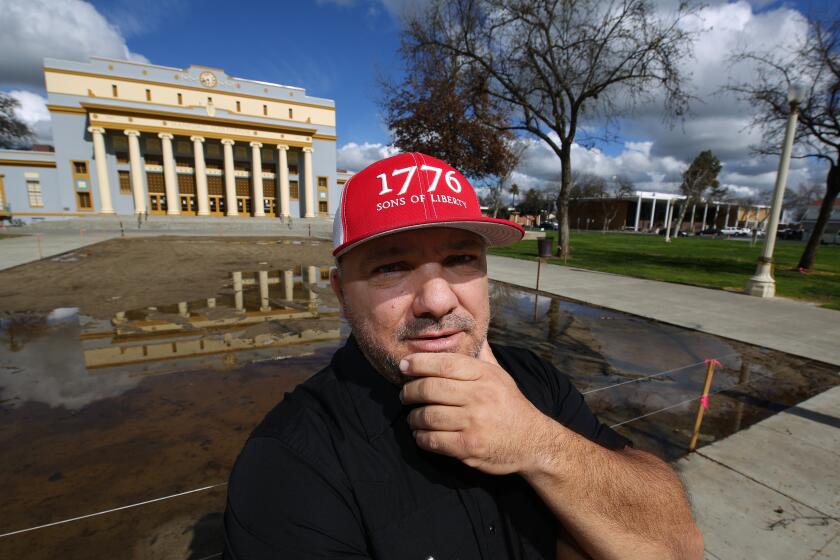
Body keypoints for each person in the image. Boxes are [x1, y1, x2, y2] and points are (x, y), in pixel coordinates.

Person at [223, 153, 703, 559]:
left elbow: (678, 546)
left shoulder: (535, 381)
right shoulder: (291, 461)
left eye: (460, 260)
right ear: (341, 295)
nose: (437, 300)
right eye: (392, 267)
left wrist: (538, 444)